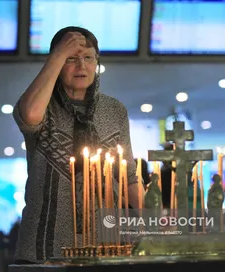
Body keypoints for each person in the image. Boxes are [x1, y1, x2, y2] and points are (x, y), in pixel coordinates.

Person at [13, 26, 142, 263]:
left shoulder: (114, 110)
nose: (81, 66)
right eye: (71, 59)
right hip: (45, 245)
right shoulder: (43, 106)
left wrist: (160, 223)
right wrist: (59, 53)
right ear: (57, 62)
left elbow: (129, 177)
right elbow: (29, 115)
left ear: (97, 62)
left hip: (105, 241)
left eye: (88, 58)